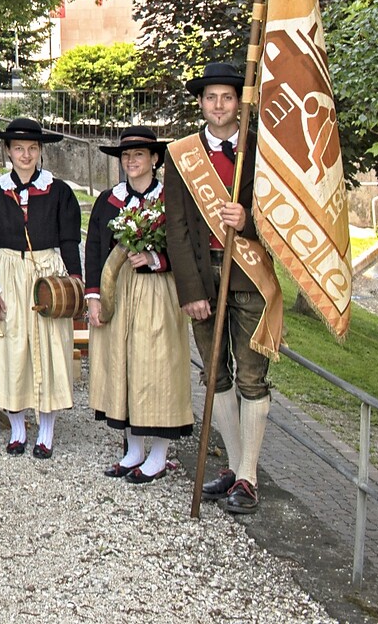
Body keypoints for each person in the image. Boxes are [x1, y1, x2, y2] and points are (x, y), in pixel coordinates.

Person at [165, 63, 274, 514]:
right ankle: (233, 466)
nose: (219, 105)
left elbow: (279, 218)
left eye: (227, 97)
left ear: (239, 103)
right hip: (202, 275)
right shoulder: (181, 155)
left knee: (250, 376)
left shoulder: (261, 152)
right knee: (215, 375)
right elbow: (175, 227)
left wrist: (247, 221)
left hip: (248, 273)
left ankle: (248, 477)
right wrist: (191, 290)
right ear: (200, 102)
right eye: (211, 97)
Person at [0, 118, 84, 458]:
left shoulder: (59, 192)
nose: (26, 155)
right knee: (11, 350)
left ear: (40, 151)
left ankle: (46, 430)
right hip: (6, 272)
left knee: (49, 349)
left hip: (46, 275)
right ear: (7, 151)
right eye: (18, 148)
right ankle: (18, 428)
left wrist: (76, 283)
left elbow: (70, 240)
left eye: (32, 148)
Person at [87, 127, 193, 484]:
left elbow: (186, 247)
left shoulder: (171, 200)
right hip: (117, 288)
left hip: (158, 291)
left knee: (157, 368)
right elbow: (94, 249)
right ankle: (133, 450)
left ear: (155, 159)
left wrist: (154, 259)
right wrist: (94, 296)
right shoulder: (109, 200)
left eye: (139, 155)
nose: (131, 161)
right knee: (124, 367)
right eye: (126, 155)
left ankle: (159, 455)